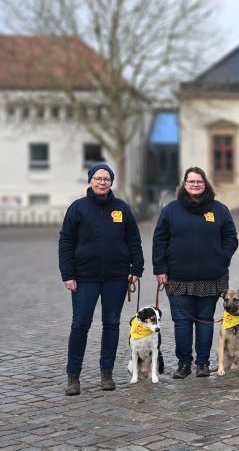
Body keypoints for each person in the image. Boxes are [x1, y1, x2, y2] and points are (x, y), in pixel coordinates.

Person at [58, 163, 144, 395]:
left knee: (112, 324)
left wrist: (136, 268)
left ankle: (106, 374)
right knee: (80, 325)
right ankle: (73, 377)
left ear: (111, 182)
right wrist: (68, 274)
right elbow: (66, 242)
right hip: (84, 278)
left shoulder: (122, 208)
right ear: (90, 180)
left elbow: (133, 240)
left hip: (116, 278)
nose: (102, 182)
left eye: (106, 179)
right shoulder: (77, 208)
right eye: (98, 178)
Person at [152, 167, 238, 379]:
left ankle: (202, 363)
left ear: (205, 183)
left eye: (199, 181)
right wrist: (160, 268)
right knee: (182, 322)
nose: (195, 185)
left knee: (205, 321)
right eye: (191, 181)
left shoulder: (219, 210)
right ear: (184, 184)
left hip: (211, 277)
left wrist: (222, 257)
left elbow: (231, 238)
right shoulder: (171, 210)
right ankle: (184, 364)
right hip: (177, 278)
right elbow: (160, 240)